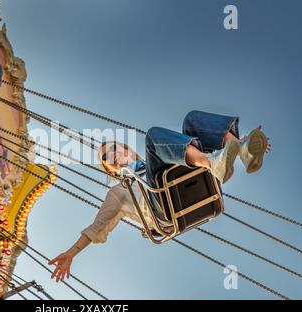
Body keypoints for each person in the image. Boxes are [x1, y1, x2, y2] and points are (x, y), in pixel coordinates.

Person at [48, 110, 271, 282]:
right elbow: (97, 226)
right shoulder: (120, 191)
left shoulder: (157, 160)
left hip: (188, 181)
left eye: (116, 148)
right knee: (154, 136)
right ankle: (213, 162)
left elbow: (160, 155)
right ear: (112, 171)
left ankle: (243, 150)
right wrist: (71, 254)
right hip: (163, 209)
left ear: (127, 149)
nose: (114, 154)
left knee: (191, 120)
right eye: (108, 157)